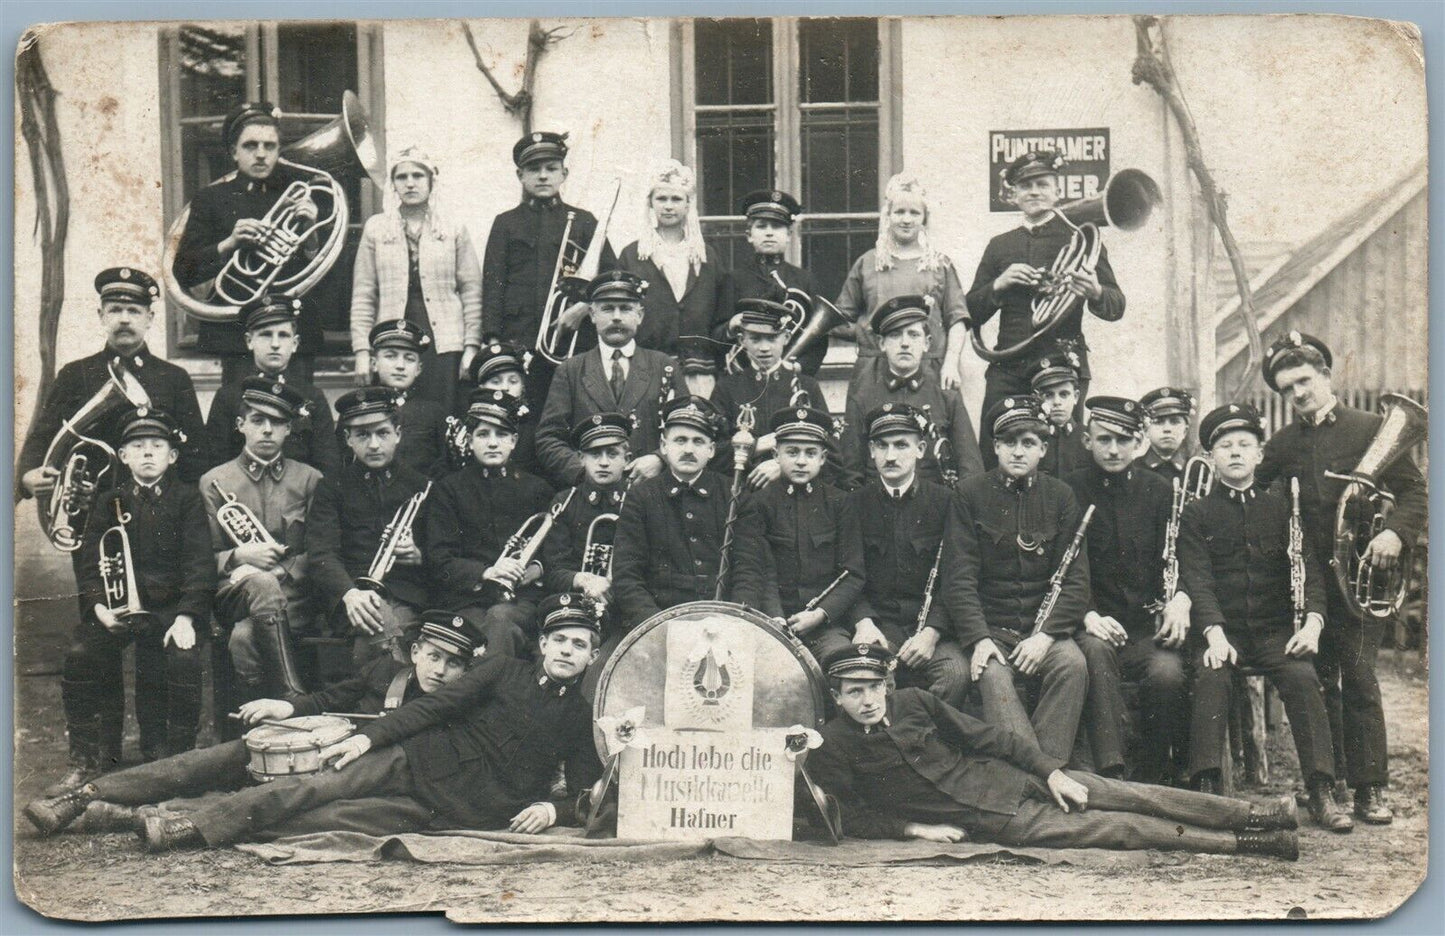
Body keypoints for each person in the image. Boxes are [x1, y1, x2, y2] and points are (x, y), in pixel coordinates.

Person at [138, 595, 604, 852]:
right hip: (416, 759)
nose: (567, 650)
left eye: (579, 645)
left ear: (593, 655)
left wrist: (551, 811)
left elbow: (583, 791)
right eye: (559, 639)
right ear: (542, 643)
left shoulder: (582, 716)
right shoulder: (502, 669)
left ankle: (192, 814)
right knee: (313, 787)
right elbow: (431, 709)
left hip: (463, 809)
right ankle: (188, 828)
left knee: (330, 820)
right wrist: (366, 740)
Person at [807, 644, 1300, 860]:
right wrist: (914, 828)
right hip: (1000, 822)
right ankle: (1252, 844)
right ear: (837, 696)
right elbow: (845, 814)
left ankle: (1257, 815)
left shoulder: (914, 702)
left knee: (1129, 795)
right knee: (1120, 828)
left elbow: (992, 740)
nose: (867, 700)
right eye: (854, 692)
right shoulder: (833, 744)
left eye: (873, 687)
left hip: (1012, 779)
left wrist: (1054, 773)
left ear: (886, 684)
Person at [23, 613, 480, 837]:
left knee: (271, 799)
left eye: (453, 665)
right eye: (434, 656)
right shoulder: (384, 672)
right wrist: (286, 709)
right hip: (310, 745)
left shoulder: (456, 707)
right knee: (213, 758)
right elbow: (328, 698)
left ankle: (140, 815)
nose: (439, 671)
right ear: (416, 651)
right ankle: (85, 796)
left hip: (343, 776)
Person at [1256, 332, 1425, 825]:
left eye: (1305, 381)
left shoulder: (1373, 428)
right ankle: (1326, 788)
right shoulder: (1283, 445)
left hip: (1361, 578)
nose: (1299, 394)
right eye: (1287, 389)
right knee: (1320, 681)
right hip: (1309, 587)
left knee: (1360, 678)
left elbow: (1415, 493)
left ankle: (1370, 789)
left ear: (1327, 375)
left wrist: (1394, 533)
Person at [1178, 403, 1352, 831]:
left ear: (1259, 455)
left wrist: (1313, 623)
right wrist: (1214, 634)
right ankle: (1207, 790)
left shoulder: (1282, 509)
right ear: (1211, 457)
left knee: (1302, 677)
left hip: (1276, 632)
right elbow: (1197, 581)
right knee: (1211, 675)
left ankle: (1320, 790)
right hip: (1223, 631)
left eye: (1244, 445)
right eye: (1224, 446)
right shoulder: (1197, 514)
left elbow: (1309, 571)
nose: (1235, 453)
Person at [44, 408, 214, 794]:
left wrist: (186, 617)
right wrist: (101, 610)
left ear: (172, 456)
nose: (148, 453)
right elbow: (89, 566)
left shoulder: (187, 500)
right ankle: (93, 757)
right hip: (116, 610)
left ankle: (172, 756)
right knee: (83, 652)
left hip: (170, 612)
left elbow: (200, 565)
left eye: (157, 446)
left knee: (182, 659)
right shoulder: (108, 500)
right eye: (137, 447)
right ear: (123, 456)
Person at [939, 395, 1089, 763]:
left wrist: (1046, 637)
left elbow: (1075, 580)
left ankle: (1042, 773)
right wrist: (978, 638)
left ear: (1042, 449)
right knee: (992, 674)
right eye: (1009, 442)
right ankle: (1039, 776)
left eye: (1028, 443)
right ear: (995, 447)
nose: (1018, 452)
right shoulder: (970, 494)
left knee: (1072, 664)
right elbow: (958, 578)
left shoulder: (1061, 496)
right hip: (992, 631)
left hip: (1043, 632)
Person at [966, 150, 1126, 467]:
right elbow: (970, 311)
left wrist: (1094, 291)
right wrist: (999, 284)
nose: (1035, 191)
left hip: (1061, 368)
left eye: (1042, 184)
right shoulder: (999, 245)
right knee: (997, 450)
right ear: (1014, 195)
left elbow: (1115, 305)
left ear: (1057, 190)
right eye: (1026, 186)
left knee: (1061, 460)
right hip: (1009, 366)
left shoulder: (1080, 238)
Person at [1065, 397, 1189, 783]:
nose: (1114, 449)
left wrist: (1181, 600)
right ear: (1087, 441)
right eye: (1104, 439)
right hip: (1091, 624)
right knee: (1097, 657)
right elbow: (1063, 566)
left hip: (1144, 628)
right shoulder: (1068, 490)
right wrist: (1088, 615)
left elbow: (1182, 554)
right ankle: (1112, 772)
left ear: (1138, 442)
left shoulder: (1160, 490)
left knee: (1167, 674)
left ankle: (1155, 775)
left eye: (1123, 439)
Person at [17, 267, 207, 504]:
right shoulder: (75, 374)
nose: (124, 319)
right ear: (101, 315)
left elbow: (196, 452)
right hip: (90, 507)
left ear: (150, 318)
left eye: (134, 311)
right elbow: (43, 435)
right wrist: (26, 475)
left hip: (159, 509)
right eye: (115, 310)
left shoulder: (175, 378)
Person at [173, 102, 324, 379]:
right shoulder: (210, 199)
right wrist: (228, 243)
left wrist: (311, 233)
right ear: (234, 152)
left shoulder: (300, 196)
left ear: (279, 150)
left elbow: (328, 280)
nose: (261, 154)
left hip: (294, 334)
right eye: (250, 146)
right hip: (236, 336)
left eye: (270, 146)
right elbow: (183, 270)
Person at [200, 378, 323, 703]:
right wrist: (239, 555)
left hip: (295, 596)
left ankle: (251, 727)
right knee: (261, 587)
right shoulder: (214, 482)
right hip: (235, 595)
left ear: (289, 429)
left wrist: (284, 572)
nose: (267, 430)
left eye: (277, 422)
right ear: (241, 425)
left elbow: (321, 551)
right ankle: (292, 696)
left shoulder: (309, 479)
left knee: (243, 638)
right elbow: (200, 559)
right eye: (258, 420)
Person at [843, 403, 969, 708]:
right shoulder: (854, 504)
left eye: (901, 445)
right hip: (879, 626)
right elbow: (848, 576)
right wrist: (863, 623)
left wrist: (932, 632)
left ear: (920, 449)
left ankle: (925, 746)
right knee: (872, 678)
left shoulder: (946, 502)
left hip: (931, 628)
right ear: (871, 451)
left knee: (955, 673)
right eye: (882, 446)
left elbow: (956, 577)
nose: (890, 456)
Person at [482, 130, 615, 406]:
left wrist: (584, 308)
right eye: (534, 169)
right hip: (519, 339)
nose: (543, 176)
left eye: (551, 169)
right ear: (520, 175)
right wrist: (492, 339)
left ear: (564, 173)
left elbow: (610, 280)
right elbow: (493, 285)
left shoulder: (584, 222)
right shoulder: (505, 223)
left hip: (572, 341)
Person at [305, 388, 433, 670]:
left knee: (384, 630)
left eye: (382, 433)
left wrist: (418, 554)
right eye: (362, 435)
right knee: (380, 628)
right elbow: (321, 553)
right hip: (351, 597)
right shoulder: (332, 487)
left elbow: (441, 553)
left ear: (398, 434)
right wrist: (349, 594)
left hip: (406, 596)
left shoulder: (421, 486)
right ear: (348, 439)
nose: (374, 444)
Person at [350, 145, 483, 413]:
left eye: (418, 176)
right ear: (393, 184)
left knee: (441, 413)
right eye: (402, 177)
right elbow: (364, 295)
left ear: (431, 181)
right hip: (391, 337)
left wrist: (471, 348)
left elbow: (472, 292)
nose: (410, 183)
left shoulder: (453, 227)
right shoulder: (376, 229)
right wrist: (363, 352)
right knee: (392, 415)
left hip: (444, 341)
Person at [732, 406, 866, 669]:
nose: (801, 461)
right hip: (773, 621)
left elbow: (853, 573)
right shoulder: (759, 504)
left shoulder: (840, 503)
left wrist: (820, 614)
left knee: (843, 666)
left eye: (810, 453)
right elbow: (757, 569)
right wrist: (775, 618)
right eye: (792, 452)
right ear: (776, 455)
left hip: (825, 625)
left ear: (823, 457)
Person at [425, 389, 554, 658]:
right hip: (468, 598)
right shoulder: (449, 490)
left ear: (514, 441)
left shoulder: (537, 489)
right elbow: (439, 559)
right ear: (470, 441)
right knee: (480, 628)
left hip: (522, 599)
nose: (492, 443)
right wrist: (487, 572)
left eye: (501, 434)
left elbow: (555, 551)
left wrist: (535, 569)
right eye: (483, 434)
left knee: (500, 622)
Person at [535, 270, 687, 490]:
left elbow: (685, 431)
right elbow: (548, 438)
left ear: (640, 315)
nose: (616, 316)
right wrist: (585, 470)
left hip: (651, 492)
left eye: (625, 308)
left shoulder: (664, 366)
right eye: (607, 308)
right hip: (590, 494)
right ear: (593, 315)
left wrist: (660, 459)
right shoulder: (571, 370)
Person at [835, 173, 974, 388]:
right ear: (888, 216)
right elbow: (839, 320)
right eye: (899, 212)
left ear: (924, 218)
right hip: (874, 369)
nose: (907, 219)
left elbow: (957, 319)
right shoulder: (868, 263)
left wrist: (951, 363)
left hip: (930, 369)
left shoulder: (940, 264)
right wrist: (867, 332)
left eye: (914, 213)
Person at [612, 396, 730, 630]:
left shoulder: (733, 495)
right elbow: (627, 576)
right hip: (657, 622)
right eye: (680, 440)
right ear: (664, 446)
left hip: (723, 622)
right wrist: (659, 626)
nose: (688, 449)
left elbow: (750, 570)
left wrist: (730, 620)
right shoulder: (641, 497)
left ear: (712, 450)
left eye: (698, 441)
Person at [841, 295, 983, 489]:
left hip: (936, 508)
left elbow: (970, 467)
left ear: (927, 343)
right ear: (882, 343)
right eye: (895, 335)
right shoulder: (863, 397)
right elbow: (850, 473)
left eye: (913, 334)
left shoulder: (946, 396)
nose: (905, 343)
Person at [202, 295, 340, 476]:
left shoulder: (312, 397)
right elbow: (215, 466)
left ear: (295, 343)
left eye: (283, 335)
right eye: (266, 335)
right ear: (249, 341)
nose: (275, 344)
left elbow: (328, 466)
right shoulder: (228, 397)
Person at [708, 298, 834, 489]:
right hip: (743, 496)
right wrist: (756, 446)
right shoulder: (726, 388)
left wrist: (783, 465)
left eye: (773, 338)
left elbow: (831, 455)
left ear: (786, 338)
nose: (764, 348)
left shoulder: (807, 386)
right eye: (755, 339)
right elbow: (711, 454)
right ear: (742, 340)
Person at [616, 160, 725, 356]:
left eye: (676, 199)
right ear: (651, 202)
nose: (668, 206)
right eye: (661, 199)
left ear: (688, 204)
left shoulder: (706, 255)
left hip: (698, 365)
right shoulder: (632, 255)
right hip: (647, 362)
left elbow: (720, 313)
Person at [714, 189, 827, 375]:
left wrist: (799, 367)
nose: (769, 233)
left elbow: (819, 341)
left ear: (789, 235)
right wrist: (730, 325)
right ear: (749, 235)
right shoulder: (733, 279)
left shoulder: (805, 280)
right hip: (744, 379)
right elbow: (715, 337)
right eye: (761, 226)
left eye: (776, 227)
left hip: (791, 377)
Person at [365, 320, 452, 478]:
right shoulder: (360, 408)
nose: (400, 365)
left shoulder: (433, 413)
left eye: (409, 359)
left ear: (418, 369)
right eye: (391, 356)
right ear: (374, 364)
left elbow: (444, 468)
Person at [464, 340, 544, 476]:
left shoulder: (535, 429)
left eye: (513, 381)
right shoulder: (469, 425)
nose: (505, 387)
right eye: (496, 382)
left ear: (523, 387)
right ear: (481, 387)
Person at [1030, 350, 1089, 478]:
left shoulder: (1089, 438)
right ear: (1038, 398)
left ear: (1076, 397)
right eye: (1049, 395)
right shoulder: (1032, 439)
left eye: (1063, 394)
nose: (1057, 402)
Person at [1135, 386, 1197, 485]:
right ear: (1146, 430)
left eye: (1174, 422)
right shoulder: (1133, 470)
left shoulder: (1197, 470)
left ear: (1185, 431)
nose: (1167, 429)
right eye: (1158, 422)